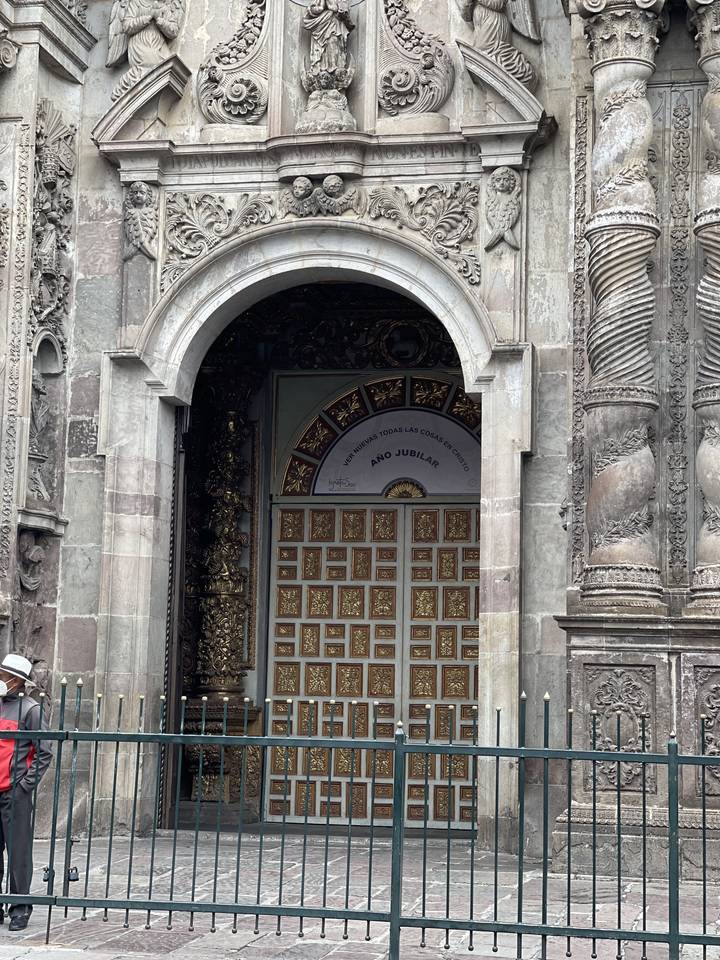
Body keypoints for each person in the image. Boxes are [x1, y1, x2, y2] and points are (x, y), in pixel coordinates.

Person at [0, 654, 52, 931]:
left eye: (4, 675)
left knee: (19, 854)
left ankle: (19, 909)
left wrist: (24, 786)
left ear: (17, 680)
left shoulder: (31, 710)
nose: (0, 678)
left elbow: (44, 752)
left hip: (14, 791)